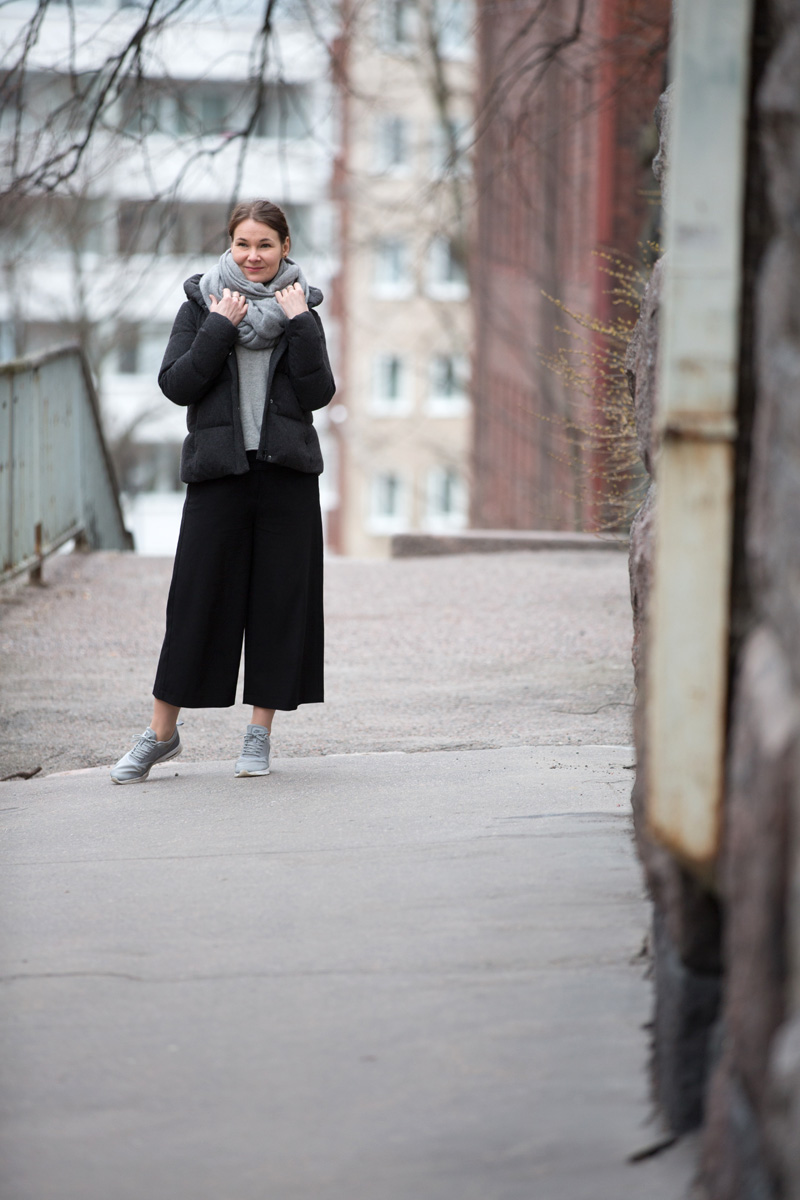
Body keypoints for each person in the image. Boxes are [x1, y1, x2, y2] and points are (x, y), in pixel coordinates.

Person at [111, 199, 335, 783]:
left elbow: (319, 393)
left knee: (279, 604)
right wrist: (219, 326)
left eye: (265, 244)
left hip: (287, 477)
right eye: (243, 244)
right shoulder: (201, 303)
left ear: (285, 247)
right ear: (229, 245)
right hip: (218, 475)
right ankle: (162, 734)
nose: (253, 255)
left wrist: (300, 324)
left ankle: (259, 734)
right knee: (195, 601)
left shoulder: (302, 307)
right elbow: (176, 384)